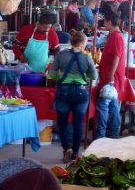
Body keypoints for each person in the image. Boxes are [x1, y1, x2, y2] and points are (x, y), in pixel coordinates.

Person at [50, 30, 97, 162]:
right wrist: (83, 76)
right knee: (78, 123)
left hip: (63, 90)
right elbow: (94, 76)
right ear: (82, 44)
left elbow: (52, 75)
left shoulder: (61, 55)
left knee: (62, 123)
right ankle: (76, 153)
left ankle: (66, 148)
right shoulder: (87, 57)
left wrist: (62, 75)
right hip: (81, 92)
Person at [96, 11, 125, 139]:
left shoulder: (116, 36)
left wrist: (111, 75)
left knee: (104, 106)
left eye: (105, 22)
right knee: (113, 106)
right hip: (110, 77)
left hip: (111, 79)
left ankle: (102, 136)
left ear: (109, 22)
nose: (104, 25)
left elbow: (117, 57)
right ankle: (112, 135)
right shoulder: (114, 35)